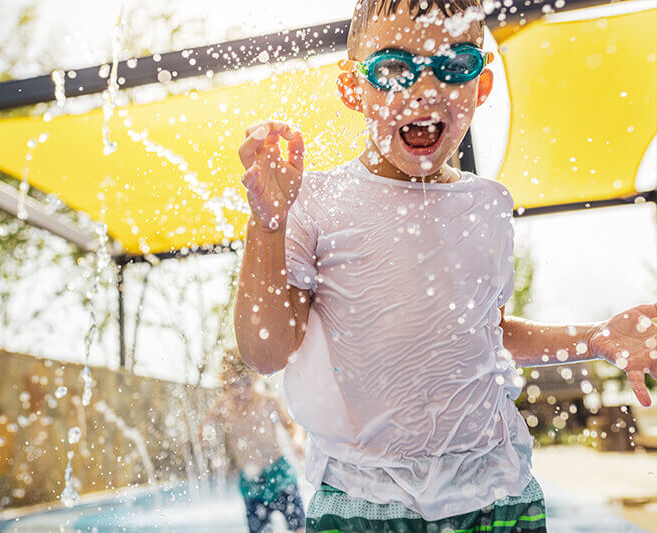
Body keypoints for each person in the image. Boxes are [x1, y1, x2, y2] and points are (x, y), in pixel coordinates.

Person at [233, 0, 657, 531]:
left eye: (454, 64)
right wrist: (267, 224)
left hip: (496, 491)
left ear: (481, 86)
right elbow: (265, 351)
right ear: (351, 88)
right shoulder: (317, 201)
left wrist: (592, 337)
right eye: (391, 69)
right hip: (365, 499)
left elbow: (490, 335)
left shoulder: (489, 206)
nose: (426, 88)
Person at [198, 350, 306, 533]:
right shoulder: (222, 405)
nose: (241, 390)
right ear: (223, 381)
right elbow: (205, 428)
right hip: (251, 483)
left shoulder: (267, 400)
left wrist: (297, 441)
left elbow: (292, 426)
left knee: (299, 528)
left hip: (280, 475)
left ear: (256, 377)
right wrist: (206, 435)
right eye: (233, 384)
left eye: (246, 383)